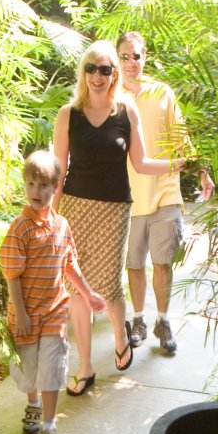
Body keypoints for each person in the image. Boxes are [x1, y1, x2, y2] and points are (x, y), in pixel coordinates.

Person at [52, 40, 190, 396]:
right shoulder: (68, 114)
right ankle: (84, 367)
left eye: (105, 69)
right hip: (76, 208)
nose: (98, 76)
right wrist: (50, 216)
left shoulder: (126, 112)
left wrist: (177, 164)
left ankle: (120, 336)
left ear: (114, 74)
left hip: (114, 208)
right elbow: (58, 169)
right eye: (91, 69)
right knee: (77, 290)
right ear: (83, 72)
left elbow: (141, 162)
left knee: (110, 284)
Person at [0, 150, 106, 434]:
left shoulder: (62, 226)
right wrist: (20, 312)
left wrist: (87, 294)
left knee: (53, 368)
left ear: (55, 187)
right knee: (29, 371)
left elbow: (69, 264)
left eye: (44, 185)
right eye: (32, 184)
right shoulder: (20, 228)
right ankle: (32, 403)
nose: (37, 191)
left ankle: (48, 425)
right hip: (26, 314)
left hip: (55, 312)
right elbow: (12, 274)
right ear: (25, 185)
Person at [117, 31, 215, 353]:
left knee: (162, 261)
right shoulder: (112, 96)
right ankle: (139, 319)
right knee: (134, 264)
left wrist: (202, 171)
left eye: (137, 56)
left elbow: (180, 138)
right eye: (125, 57)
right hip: (128, 195)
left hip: (165, 191)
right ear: (118, 60)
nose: (132, 63)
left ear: (145, 57)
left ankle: (163, 320)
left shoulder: (163, 93)